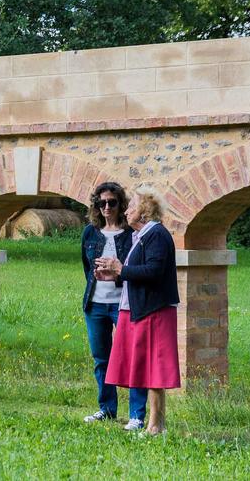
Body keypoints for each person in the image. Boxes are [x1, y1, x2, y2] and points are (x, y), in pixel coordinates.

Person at [96, 185, 181, 435]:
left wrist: (120, 268)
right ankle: (157, 425)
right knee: (149, 369)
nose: (127, 210)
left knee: (155, 369)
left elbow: (154, 271)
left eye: (132, 206)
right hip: (142, 309)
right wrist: (113, 276)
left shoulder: (157, 235)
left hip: (154, 311)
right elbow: (137, 274)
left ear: (144, 212)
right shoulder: (143, 236)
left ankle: (155, 425)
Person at [81, 182, 147, 430]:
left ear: (121, 204)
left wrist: (117, 272)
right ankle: (107, 409)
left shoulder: (131, 234)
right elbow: (87, 269)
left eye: (112, 202)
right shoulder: (90, 233)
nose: (106, 207)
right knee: (101, 358)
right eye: (101, 203)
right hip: (95, 303)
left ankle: (136, 414)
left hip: (124, 304)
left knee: (131, 358)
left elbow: (135, 268)